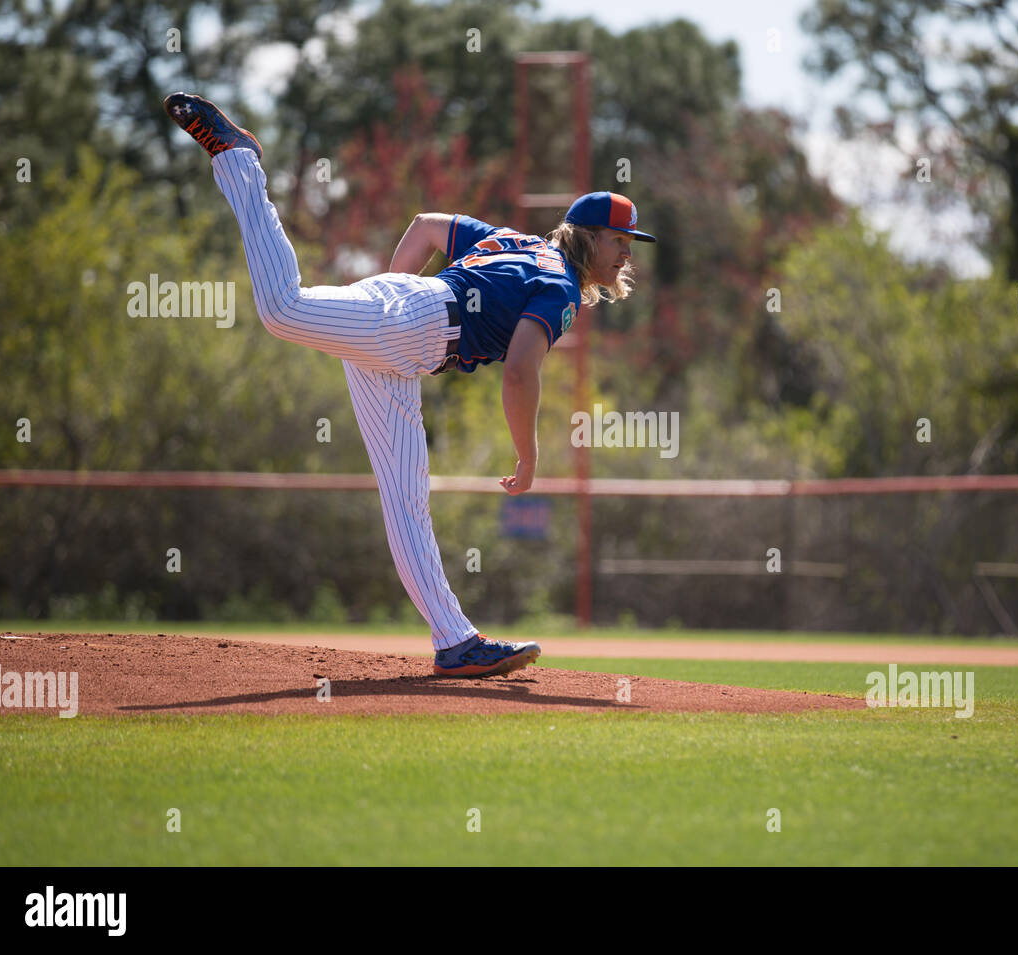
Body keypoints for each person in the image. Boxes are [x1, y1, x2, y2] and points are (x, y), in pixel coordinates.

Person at [163, 92, 656, 678]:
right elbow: (522, 369)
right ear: (588, 238)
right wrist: (528, 456)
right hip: (411, 322)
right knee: (280, 309)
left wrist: (387, 308)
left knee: (406, 500)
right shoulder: (562, 287)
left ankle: (456, 642)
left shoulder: (517, 242)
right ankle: (240, 162)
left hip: (406, 339)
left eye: (629, 242)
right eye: (619, 239)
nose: (627, 252)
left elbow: (425, 227)